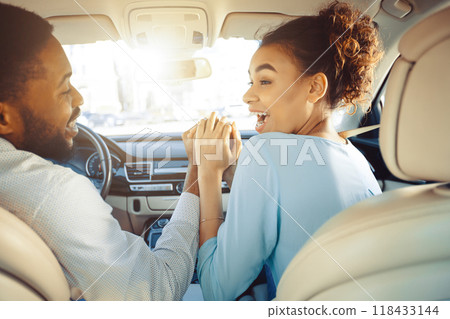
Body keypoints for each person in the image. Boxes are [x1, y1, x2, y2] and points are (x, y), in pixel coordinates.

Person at [0, 2, 200, 300]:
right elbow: (161, 290)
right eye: (64, 88)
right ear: (4, 118)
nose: (79, 99)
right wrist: (198, 170)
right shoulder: (57, 193)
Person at [185, 1, 384, 300]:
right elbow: (289, 205)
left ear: (315, 88)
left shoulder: (267, 150)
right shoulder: (355, 158)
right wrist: (232, 172)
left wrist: (209, 173)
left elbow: (217, 290)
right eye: (252, 81)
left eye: (265, 81)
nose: (247, 95)